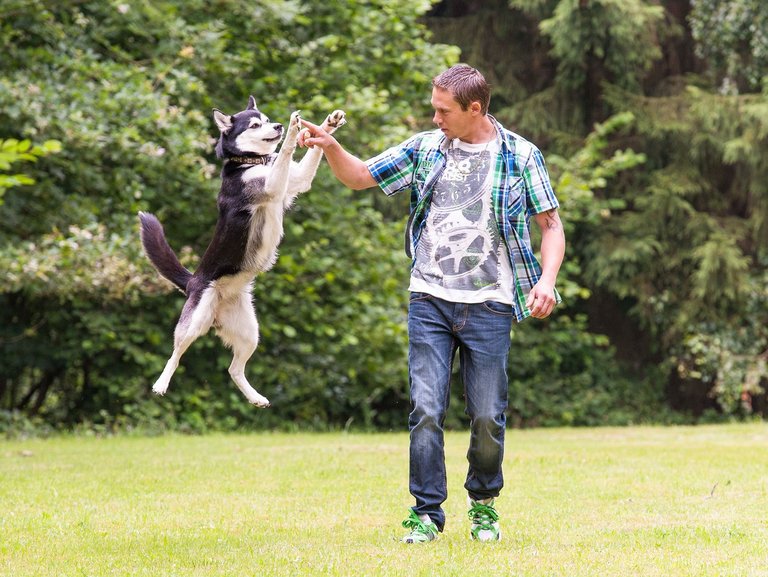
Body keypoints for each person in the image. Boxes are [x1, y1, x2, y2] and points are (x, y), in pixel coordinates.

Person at [299, 64, 565, 543]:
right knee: (425, 407)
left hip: (490, 304)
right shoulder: (424, 148)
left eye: (444, 110)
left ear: (474, 108)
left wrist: (546, 281)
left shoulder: (521, 156)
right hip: (430, 298)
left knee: (486, 415)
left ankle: (483, 506)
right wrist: (330, 145)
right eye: (434, 109)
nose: (436, 117)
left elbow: (550, 225)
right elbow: (361, 177)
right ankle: (426, 514)